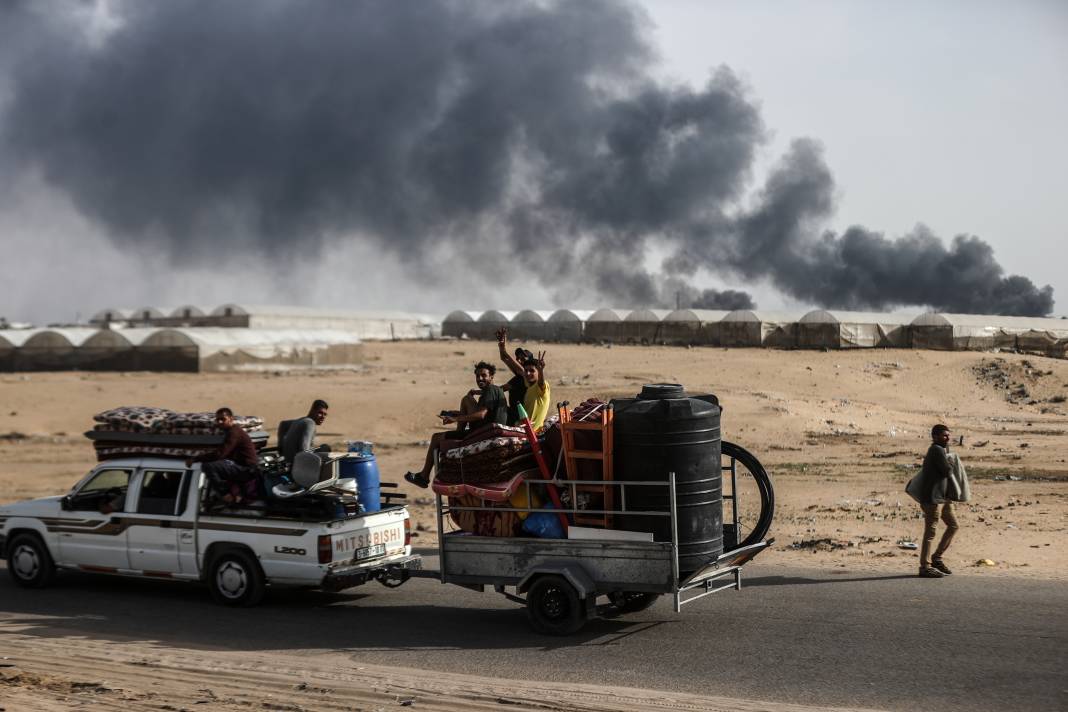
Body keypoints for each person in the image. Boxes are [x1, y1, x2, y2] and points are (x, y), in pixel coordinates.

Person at [404, 361, 508, 488]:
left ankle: (424, 476)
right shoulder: (491, 391)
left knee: (436, 437)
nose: (480, 378)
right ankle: (459, 433)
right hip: (484, 430)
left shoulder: (491, 389)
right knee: (466, 399)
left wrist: (456, 419)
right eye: (477, 376)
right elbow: (483, 414)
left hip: (483, 433)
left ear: (491, 377)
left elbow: (481, 415)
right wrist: (457, 415)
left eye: (484, 375)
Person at [910, 424, 962, 578]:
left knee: (953, 526)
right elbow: (947, 471)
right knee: (930, 533)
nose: (948, 438)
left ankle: (937, 558)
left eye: (948, 435)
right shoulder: (936, 450)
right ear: (935, 436)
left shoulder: (942, 450)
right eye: (944, 435)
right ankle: (925, 566)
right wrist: (952, 462)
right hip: (932, 498)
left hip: (943, 498)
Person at [186, 407, 260, 504]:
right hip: (242, 467)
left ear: (231, 419)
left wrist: (195, 459)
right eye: (218, 419)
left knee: (208, 465)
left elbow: (220, 454)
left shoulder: (234, 432)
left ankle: (225, 494)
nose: (220, 422)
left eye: (223, 419)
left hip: (246, 469)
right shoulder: (231, 432)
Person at [495, 327, 534, 425]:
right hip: (515, 414)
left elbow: (501, 389)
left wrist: (485, 392)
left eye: (523, 359)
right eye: (518, 359)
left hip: (519, 417)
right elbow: (504, 358)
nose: (519, 361)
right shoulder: (520, 376)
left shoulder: (525, 378)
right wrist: (501, 345)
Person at [279, 399, 329, 463]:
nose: (323, 417)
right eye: (320, 413)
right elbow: (304, 450)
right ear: (312, 411)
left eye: (325, 414)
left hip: (289, 459)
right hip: (296, 464)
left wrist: (280, 447)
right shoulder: (310, 423)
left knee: (321, 448)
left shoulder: (301, 420)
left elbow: (283, 424)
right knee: (325, 448)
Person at [520, 350, 551, 430]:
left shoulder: (541, 386)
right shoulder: (529, 388)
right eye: (526, 371)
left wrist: (541, 371)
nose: (528, 373)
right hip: (523, 428)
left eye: (532, 371)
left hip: (533, 431)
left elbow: (541, 383)